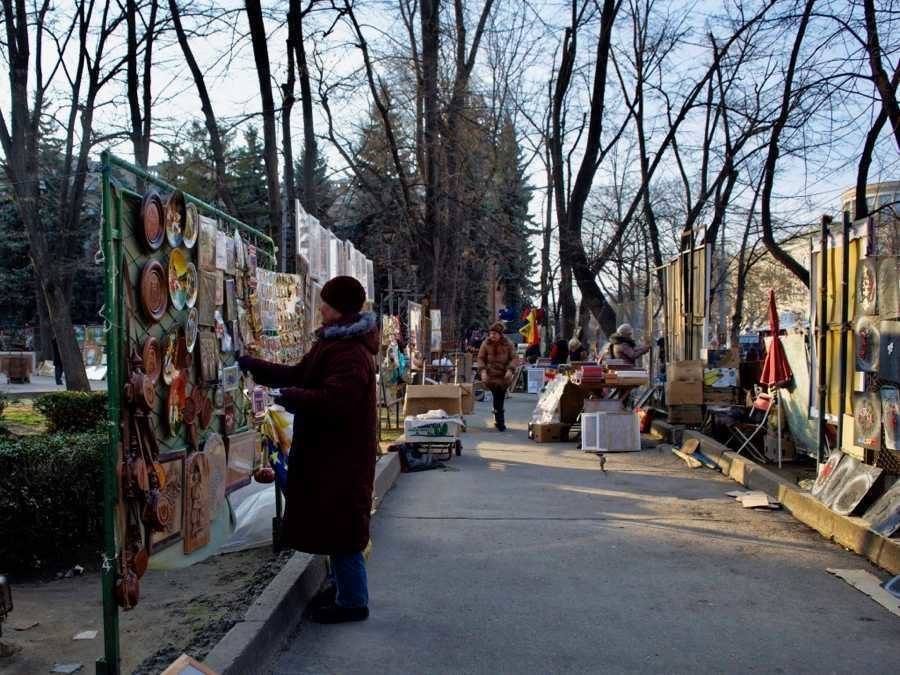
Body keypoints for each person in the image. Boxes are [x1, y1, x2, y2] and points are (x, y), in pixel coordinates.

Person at [238, 276, 378, 624]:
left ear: (338, 308)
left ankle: (353, 602)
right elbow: (300, 374)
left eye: (325, 303)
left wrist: (292, 398)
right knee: (337, 526)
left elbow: (335, 400)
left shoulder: (349, 351)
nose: (321, 308)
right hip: (333, 456)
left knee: (344, 531)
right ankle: (345, 589)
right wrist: (255, 366)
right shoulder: (334, 344)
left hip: (341, 458)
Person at [477, 321, 517, 431]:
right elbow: (480, 358)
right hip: (490, 375)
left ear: (500, 334)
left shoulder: (508, 343)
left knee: (499, 396)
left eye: (494, 334)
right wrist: (483, 372)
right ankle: (500, 421)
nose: (492, 336)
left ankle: (499, 421)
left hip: (503, 375)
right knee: (497, 397)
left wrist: (510, 369)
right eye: (490, 333)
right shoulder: (486, 343)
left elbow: (514, 358)